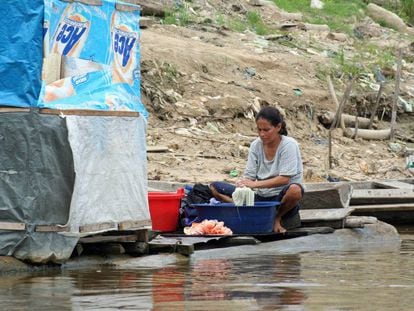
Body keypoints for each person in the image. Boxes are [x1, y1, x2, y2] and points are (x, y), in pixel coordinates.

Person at [210, 106, 304, 233]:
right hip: (260, 197)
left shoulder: (289, 145)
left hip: (280, 198)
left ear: (278, 127)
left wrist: (254, 184)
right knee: (215, 187)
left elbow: (284, 179)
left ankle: (277, 218)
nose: (262, 134)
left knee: (295, 190)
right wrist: (243, 185)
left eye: (266, 130)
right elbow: (249, 175)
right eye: (259, 130)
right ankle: (244, 208)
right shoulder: (256, 145)